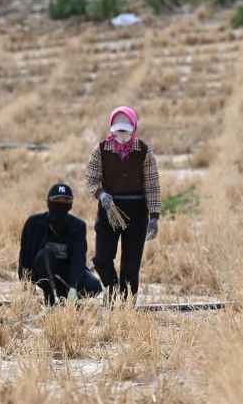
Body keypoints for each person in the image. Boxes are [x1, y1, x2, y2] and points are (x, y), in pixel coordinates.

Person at [84, 106, 161, 303]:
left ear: (134, 128)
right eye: (118, 130)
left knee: (130, 264)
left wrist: (153, 217)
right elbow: (91, 179)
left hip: (136, 211)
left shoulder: (144, 151)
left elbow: (152, 185)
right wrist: (101, 195)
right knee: (102, 259)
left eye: (125, 131)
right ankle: (111, 289)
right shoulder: (101, 149)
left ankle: (127, 306)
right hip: (109, 208)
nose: (121, 135)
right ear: (112, 129)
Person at [18, 183, 102, 306]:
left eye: (65, 201)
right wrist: (26, 284)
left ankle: (65, 294)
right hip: (39, 270)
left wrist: (73, 287)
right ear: (47, 202)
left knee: (94, 286)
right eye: (56, 200)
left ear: (71, 204)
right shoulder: (33, 223)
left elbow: (78, 260)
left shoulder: (78, 226)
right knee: (45, 255)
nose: (60, 205)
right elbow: (24, 257)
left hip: (65, 271)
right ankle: (48, 295)